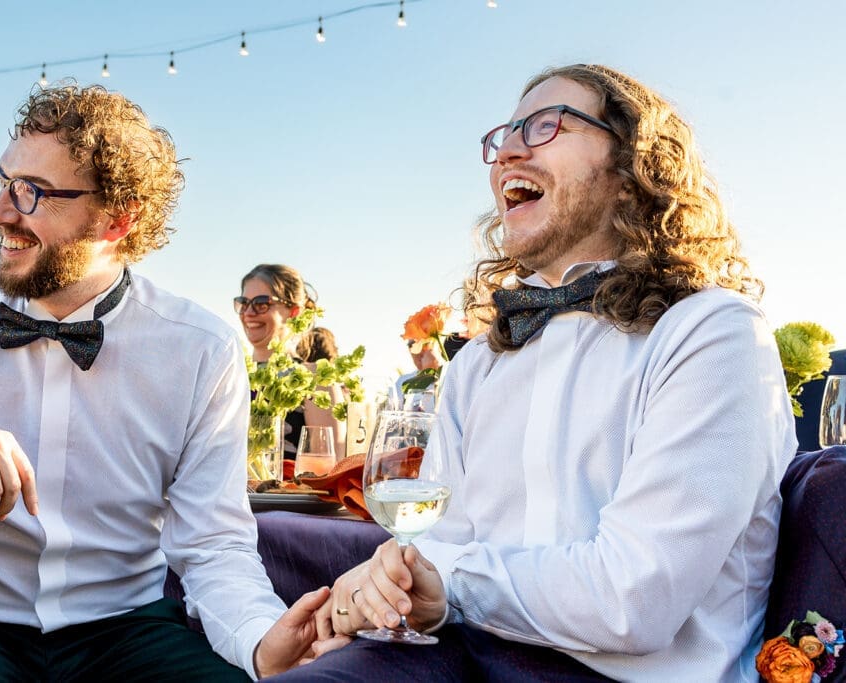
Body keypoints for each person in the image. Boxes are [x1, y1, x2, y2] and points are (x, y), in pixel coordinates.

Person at [282, 64, 797, 682]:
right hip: (461, 650)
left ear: (634, 173)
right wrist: (392, 595)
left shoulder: (710, 332)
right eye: (504, 136)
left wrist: (447, 577)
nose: (509, 151)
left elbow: (633, 600)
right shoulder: (478, 362)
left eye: (547, 124)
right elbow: (438, 546)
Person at [0, 82, 329, 681]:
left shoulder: (200, 347)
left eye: (31, 192)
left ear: (119, 219)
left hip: (129, 627)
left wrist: (258, 639)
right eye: (2, 180)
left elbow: (214, 543)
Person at [237, 264, 346, 459]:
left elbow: (327, 470)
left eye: (262, 303)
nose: (249, 313)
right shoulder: (231, 374)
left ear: (294, 311)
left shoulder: (315, 380)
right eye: (243, 303)